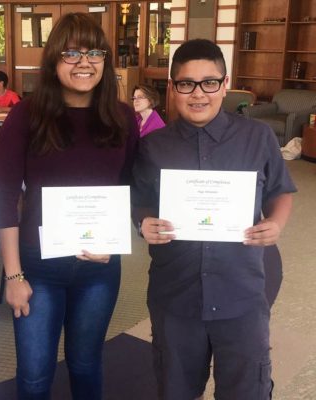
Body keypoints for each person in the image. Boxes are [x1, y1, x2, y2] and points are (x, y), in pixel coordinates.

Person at [131, 39, 296, 400]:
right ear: (173, 88)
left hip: (241, 292)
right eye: (186, 84)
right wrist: (143, 222)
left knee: (245, 389)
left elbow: (281, 190)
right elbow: (140, 200)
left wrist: (277, 224)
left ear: (225, 85)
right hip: (175, 294)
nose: (198, 94)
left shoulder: (258, 137)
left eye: (209, 82)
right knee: (176, 387)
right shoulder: (154, 145)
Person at [0, 12, 139, 400]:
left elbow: (127, 188)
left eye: (94, 52)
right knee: (36, 374)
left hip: (99, 268)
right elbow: (5, 197)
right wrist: (13, 277)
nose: (84, 62)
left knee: (87, 363)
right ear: (54, 59)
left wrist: (116, 238)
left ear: (106, 61)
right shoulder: (26, 116)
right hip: (37, 268)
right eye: (71, 53)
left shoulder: (123, 118)